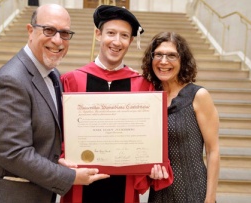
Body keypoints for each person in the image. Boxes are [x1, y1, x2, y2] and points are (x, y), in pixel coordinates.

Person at [0, 4, 109, 203]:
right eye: (49, 30)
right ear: (30, 31)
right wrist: (70, 177)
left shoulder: (53, 75)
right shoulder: (11, 80)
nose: (58, 40)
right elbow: (14, 153)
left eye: (65, 33)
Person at [60, 5, 173, 203]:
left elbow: (150, 137)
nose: (116, 42)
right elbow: (59, 133)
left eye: (124, 35)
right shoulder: (72, 81)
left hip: (124, 187)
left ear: (131, 40)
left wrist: (153, 164)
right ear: (98, 34)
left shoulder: (142, 85)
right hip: (80, 185)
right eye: (111, 33)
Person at [140, 31, 220, 203]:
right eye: (158, 55)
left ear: (182, 60)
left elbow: (213, 150)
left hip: (194, 192)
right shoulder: (149, 97)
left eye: (171, 56)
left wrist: (210, 198)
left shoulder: (198, 95)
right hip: (159, 194)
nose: (163, 61)